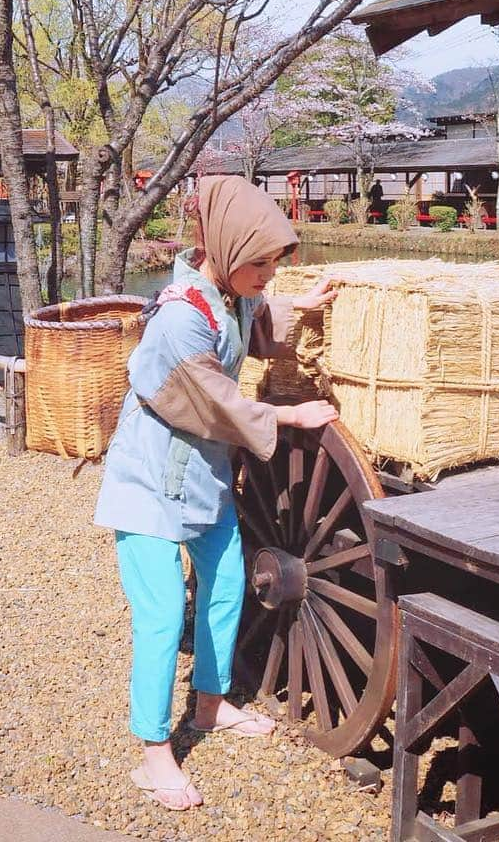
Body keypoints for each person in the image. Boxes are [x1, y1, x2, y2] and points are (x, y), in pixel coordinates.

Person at [94, 175, 338, 811]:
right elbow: (213, 397)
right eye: (261, 264)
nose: (269, 277)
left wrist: (305, 303)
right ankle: (153, 754)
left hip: (201, 477)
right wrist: (288, 416)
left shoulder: (229, 297)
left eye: (274, 265)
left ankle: (209, 706)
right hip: (150, 481)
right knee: (161, 613)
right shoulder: (179, 316)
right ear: (228, 251)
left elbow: (254, 325)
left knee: (226, 585)